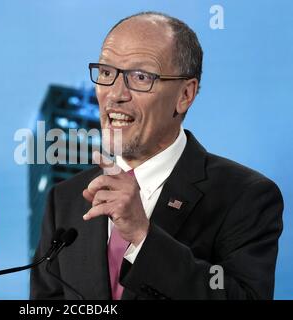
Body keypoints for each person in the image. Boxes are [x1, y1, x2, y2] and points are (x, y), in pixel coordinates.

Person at [30, 11, 283, 300]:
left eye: (140, 77)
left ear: (185, 95)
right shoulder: (65, 199)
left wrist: (142, 235)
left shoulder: (246, 196)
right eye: (106, 73)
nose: (115, 94)